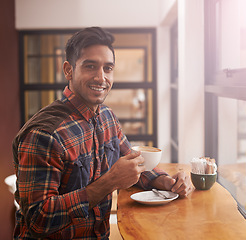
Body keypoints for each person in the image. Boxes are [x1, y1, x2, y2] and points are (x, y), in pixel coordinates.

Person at [12, 27, 192, 239]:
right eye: (90, 66)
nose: (101, 77)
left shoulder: (107, 116)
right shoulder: (44, 134)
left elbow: (133, 164)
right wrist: (109, 182)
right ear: (68, 70)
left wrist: (167, 182)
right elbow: (38, 220)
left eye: (108, 68)